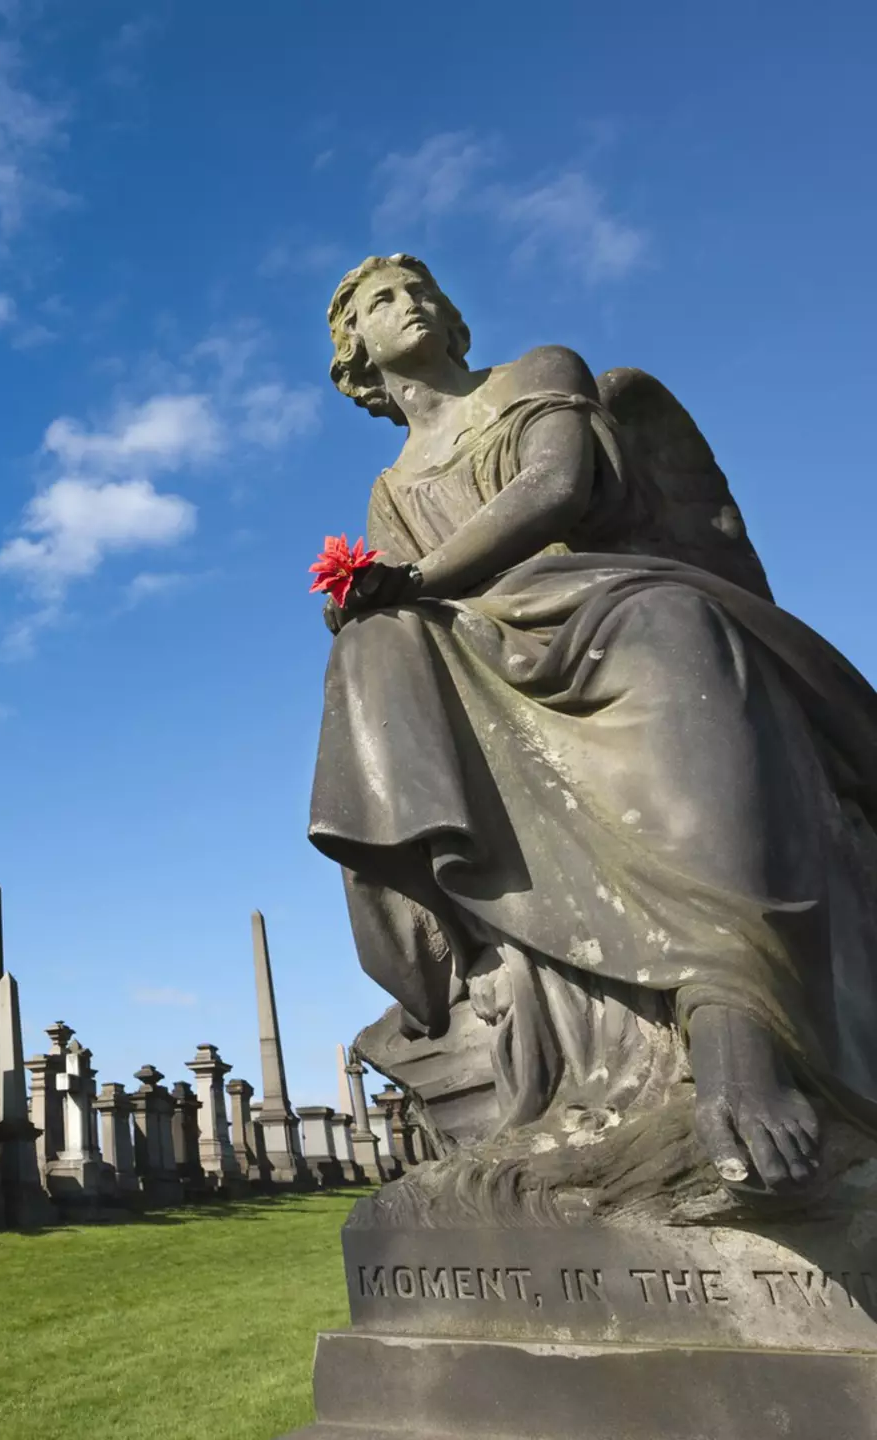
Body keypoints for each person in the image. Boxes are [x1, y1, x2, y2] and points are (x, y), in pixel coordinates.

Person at [309, 255, 877, 1195]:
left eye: (423, 293)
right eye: (379, 302)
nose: (408, 303)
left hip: (599, 598)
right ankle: (448, 957)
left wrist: (412, 581)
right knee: (368, 651)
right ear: (357, 356)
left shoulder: (536, 374)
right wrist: (375, 604)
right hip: (480, 644)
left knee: (677, 637)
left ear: (453, 322)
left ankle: (733, 1013)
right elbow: (412, 604)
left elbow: (556, 487)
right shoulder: (390, 486)